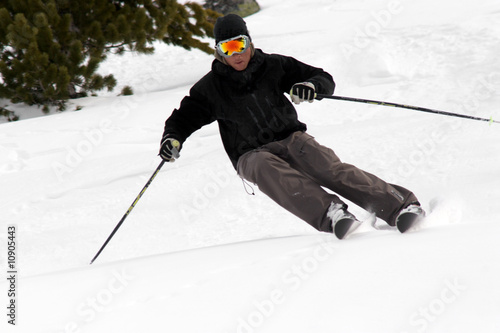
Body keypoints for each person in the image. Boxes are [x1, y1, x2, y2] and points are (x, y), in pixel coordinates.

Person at [159, 14, 424, 238]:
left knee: (329, 169)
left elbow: (322, 78)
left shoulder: (274, 65)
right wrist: (172, 139)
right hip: (249, 154)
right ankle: (332, 214)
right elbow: (182, 120)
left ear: (250, 42)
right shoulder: (210, 88)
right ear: (218, 51)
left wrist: (310, 86)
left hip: (291, 138)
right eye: (228, 49)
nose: (236, 54)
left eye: (240, 44)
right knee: (268, 169)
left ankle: (400, 206)